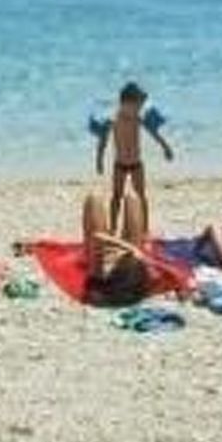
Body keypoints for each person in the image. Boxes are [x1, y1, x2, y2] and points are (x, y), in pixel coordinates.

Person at [94, 81, 174, 231]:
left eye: (140, 106)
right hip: (120, 164)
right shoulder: (113, 120)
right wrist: (99, 160)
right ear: (126, 103)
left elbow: (154, 134)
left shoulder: (138, 119)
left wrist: (166, 148)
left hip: (137, 164)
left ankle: (145, 228)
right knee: (116, 196)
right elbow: (103, 141)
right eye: (137, 105)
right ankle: (113, 227)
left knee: (141, 195)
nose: (139, 108)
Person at [80, 183, 154, 308]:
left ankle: (113, 257)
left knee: (94, 198)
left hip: (107, 279)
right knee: (132, 197)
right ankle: (123, 256)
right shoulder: (135, 270)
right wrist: (126, 247)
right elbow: (139, 255)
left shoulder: (99, 273)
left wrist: (118, 243)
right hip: (126, 282)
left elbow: (98, 236)